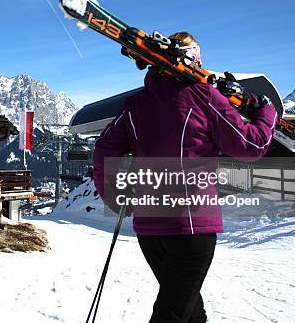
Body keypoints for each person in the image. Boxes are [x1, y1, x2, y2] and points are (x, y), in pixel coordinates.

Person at [92, 32, 277, 323]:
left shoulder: (135, 105)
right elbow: (250, 146)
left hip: (150, 230)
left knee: (190, 313)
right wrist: (266, 112)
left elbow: (102, 150)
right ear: (194, 60)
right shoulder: (204, 96)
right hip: (192, 230)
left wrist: (114, 197)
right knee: (172, 314)